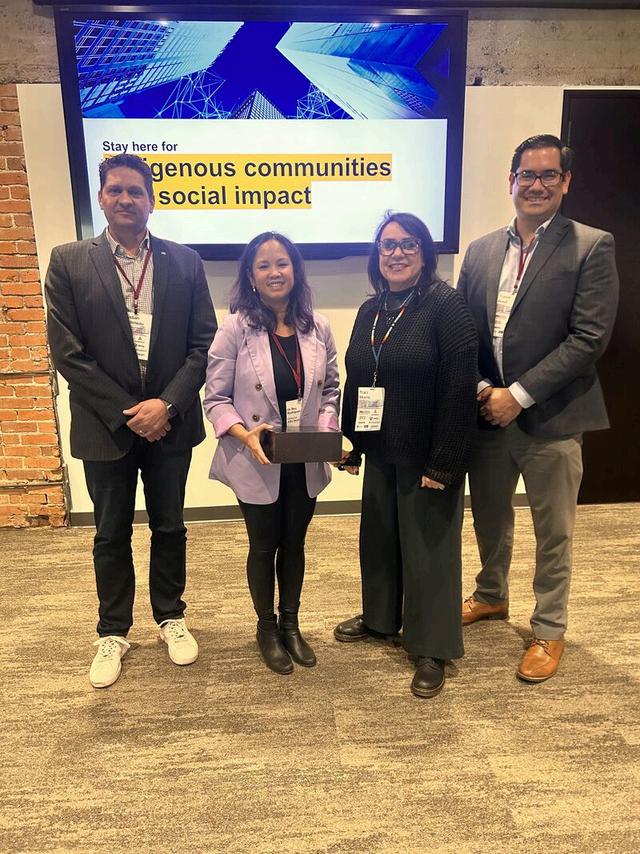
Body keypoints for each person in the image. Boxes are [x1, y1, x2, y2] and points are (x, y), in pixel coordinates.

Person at [45, 153, 218, 688]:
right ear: (101, 197)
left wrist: (167, 405)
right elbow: (68, 353)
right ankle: (113, 630)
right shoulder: (68, 261)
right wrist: (130, 413)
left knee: (170, 526)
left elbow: (203, 344)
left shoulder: (185, 262)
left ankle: (171, 616)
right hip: (105, 426)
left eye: (135, 191)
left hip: (171, 422)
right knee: (110, 532)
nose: (125, 199)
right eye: (115, 190)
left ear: (151, 200)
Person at [457, 134, 619, 682]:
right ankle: (491, 594)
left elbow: (589, 338)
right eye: (527, 175)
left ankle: (549, 627)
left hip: (554, 418)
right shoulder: (480, 250)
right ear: (511, 181)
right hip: (487, 414)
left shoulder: (591, 246)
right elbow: (463, 334)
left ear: (566, 182)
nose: (537, 185)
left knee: (554, 531)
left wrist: (518, 395)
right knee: (489, 517)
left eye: (549, 175)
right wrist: (485, 390)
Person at [335, 212, 478, 699]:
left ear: (424, 253)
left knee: (428, 551)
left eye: (408, 244)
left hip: (426, 455)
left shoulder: (447, 306)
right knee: (378, 539)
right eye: (388, 245)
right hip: (382, 450)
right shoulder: (371, 309)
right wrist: (354, 443)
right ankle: (380, 619)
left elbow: (458, 390)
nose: (396, 254)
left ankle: (432, 647)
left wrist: (445, 463)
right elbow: (359, 379)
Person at [203, 232, 340, 675]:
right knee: (264, 546)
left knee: (295, 543)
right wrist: (244, 435)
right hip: (256, 458)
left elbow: (331, 390)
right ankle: (266, 628)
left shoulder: (318, 327)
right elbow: (215, 398)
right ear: (251, 275)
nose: (274, 272)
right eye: (264, 265)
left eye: (282, 263)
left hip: (303, 459)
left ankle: (291, 624)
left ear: (295, 270)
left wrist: (326, 435)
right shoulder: (234, 329)